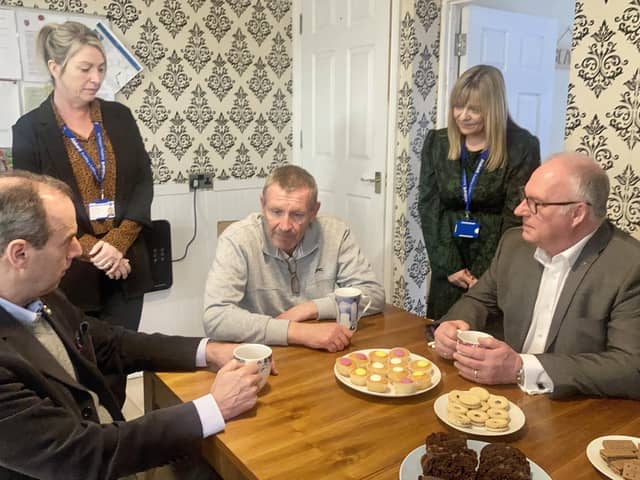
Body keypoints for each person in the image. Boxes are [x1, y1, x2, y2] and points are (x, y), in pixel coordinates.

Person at [0, 170, 263, 479]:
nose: (77, 251)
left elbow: (112, 343)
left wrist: (210, 350)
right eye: (68, 241)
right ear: (20, 253)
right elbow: (84, 455)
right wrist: (214, 406)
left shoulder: (42, 294)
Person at [12, 21, 154, 406]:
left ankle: (116, 430)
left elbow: (144, 181)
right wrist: (95, 250)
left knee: (121, 361)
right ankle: (89, 440)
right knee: (80, 366)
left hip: (126, 267)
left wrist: (118, 245)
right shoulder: (29, 130)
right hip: (70, 270)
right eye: (85, 69)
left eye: (101, 69)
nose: (96, 79)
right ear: (55, 67)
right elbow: (34, 206)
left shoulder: (120, 117)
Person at [433, 152, 640, 399]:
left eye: (535, 204)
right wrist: (457, 324)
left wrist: (521, 368)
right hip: (504, 396)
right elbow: (478, 300)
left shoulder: (629, 266)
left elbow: (631, 368)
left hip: (576, 408)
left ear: (577, 214)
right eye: (524, 198)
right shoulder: (514, 244)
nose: (519, 210)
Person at [203, 165, 385, 353]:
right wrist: (298, 331)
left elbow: (374, 294)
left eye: (297, 214)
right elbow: (216, 317)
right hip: (261, 352)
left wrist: (310, 308)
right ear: (262, 204)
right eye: (276, 212)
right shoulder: (237, 239)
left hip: (321, 348)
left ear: (314, 211)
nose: (285, 225)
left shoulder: (336, 233)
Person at [418, 64, 540, 320]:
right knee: (442, 332)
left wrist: (487, 275)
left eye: (474, 109)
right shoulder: (437, 143)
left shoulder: (522, 146)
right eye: (458, 106)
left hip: (496, 260)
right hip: (448, 257)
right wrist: (450, 265)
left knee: (484, 338)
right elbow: (429, 206)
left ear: (493, 108)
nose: (463, 116)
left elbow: (516, 217)